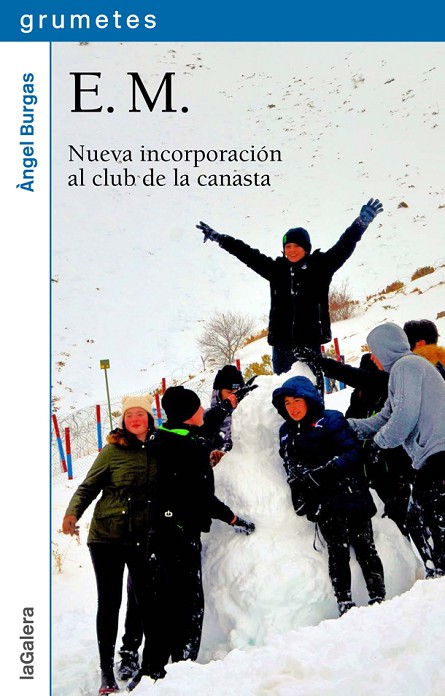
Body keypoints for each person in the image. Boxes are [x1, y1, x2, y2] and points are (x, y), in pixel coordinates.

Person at [127, 386, 255, 691]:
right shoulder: (190, 449)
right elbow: (202, 499)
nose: (202, 412)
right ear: (188, 415)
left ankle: (152, 669)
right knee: (188, 605)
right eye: (198, 408)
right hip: (180, 535)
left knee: (160, 605)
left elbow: (201, 427)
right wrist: (234, 519)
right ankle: (181, 671)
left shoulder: (162, 437)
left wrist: (226, 406)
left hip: (155, 532)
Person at [196, 198, 383, 375]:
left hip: (309, 344)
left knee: (310, 391)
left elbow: (344, 245)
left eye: (296, 246)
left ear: (306, 248)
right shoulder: (276, 270)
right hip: (281, 347)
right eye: (288, 246)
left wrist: (360, 224)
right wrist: (220, 239)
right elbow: (247, 254)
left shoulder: (321, 267)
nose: (291, 250)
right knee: (283, 393)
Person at [62, 395, 158, 695]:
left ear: (149, 417)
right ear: (123, 421)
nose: (134, 419)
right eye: (129, 415)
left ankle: (134, 658)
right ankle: (107, 670)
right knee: (110, 602)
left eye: (139, 414)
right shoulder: (112, 451)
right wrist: (72, 513)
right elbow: (88, 486)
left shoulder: (159, 448)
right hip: (106, 537)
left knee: (143, 599)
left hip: (142, 536)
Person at [272, 375, 385, 617]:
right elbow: (289, 464)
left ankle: (378, 598)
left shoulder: (330, 419)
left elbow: (352, 452)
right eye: (287, 403)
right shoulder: (286, 431)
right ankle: (344, 603)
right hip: (323, 502)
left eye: (296, 401)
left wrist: (324, 473)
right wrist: (298, 489)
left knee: (365, 547)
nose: (292, 408)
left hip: (350, 493)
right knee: (337, 551)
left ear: (308, 399)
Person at [347, 322, 445, 577]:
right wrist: (348, 426)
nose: (372, 358)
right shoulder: (402, 373)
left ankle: (440, 573)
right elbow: (385, 417)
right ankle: (436, 573)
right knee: (416, 518)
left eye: (374, 351)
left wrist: (378, 445)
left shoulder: (407, 366)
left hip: (440, 454)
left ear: (386, 348)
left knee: (431, 515)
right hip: (432, 456)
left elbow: (405, 416)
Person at [293, 347, 414, 539]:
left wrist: (320, 362)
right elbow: (351, 423)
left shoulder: (388, 391)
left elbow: (385, 426)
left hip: (393, 471)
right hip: (366, 469)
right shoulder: (358, 396)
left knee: (402, 518)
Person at [205, 364, 258, 466]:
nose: (234, 395)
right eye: (229, 392)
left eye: (237, 391)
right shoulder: (208, 417)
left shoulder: (248, 412)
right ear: (218, 393)